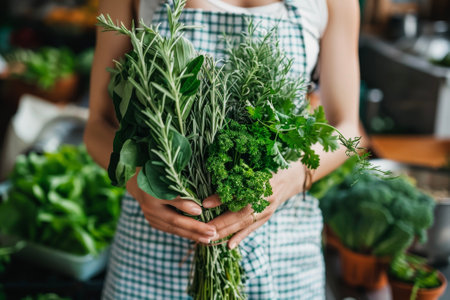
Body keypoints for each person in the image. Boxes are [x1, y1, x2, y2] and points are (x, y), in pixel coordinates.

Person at [84, 0, 361, 298]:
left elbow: (346, 127)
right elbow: (97, 126)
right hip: (152, 250)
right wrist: (140, 185)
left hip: (282, 251)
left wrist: (293, 178)